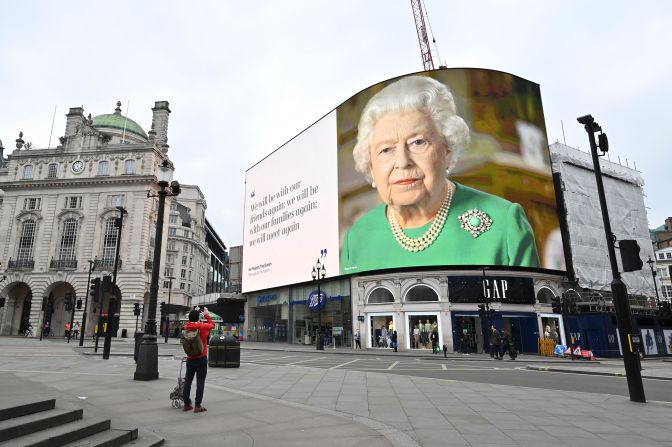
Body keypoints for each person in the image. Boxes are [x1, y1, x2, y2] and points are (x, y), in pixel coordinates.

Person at [341, 75, 540, 273]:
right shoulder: (357, 239)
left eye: (418, 142)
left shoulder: (504, 222)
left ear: (447, 148)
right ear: (370, 164)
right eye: (386, 150)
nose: (402, 162)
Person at [182, 307, 215, 413]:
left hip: (190, 358)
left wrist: (194, 311)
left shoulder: (186, 326)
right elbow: (212, 324)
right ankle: (197, 406)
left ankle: (186, 404)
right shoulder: (202, 326)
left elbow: (190, 321)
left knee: (188, 381)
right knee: (200, 381)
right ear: (198, 318)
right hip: (201, 357)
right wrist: (206, 314)